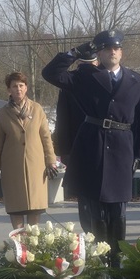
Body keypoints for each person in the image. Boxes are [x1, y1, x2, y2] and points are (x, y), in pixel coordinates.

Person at [42, 29, 140, 266]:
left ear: (121, 52)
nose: (113, 52)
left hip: (123, 148)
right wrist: (72, 54)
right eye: (107, 49)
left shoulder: (136, 81)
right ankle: (99, 260)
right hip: (93, 145)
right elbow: (50, 73)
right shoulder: (85, 77)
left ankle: (117, 260)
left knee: (118, 210)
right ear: (99, 53)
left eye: (116, 48)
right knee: (95, 209)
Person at [0, 71, 58, 230]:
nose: (18, 89)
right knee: (16, 206)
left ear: (26, 88)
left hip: (36, 165)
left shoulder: (37, 109)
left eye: (21, 85)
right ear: (9, 90)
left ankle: (33, 243)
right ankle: (19, 244)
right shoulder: (3, 112)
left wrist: (51, 160)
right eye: (14, 86)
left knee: (35, 206)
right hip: (12, 165)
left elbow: (46, 137)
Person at [53, 47, 98, 233]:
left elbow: (62, 119)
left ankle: (89, 231)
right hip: (98, 144)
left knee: (84, 195)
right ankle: (96, 232)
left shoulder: (70, 81)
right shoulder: (101, 80)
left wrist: (63, 150)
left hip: (76, 146)